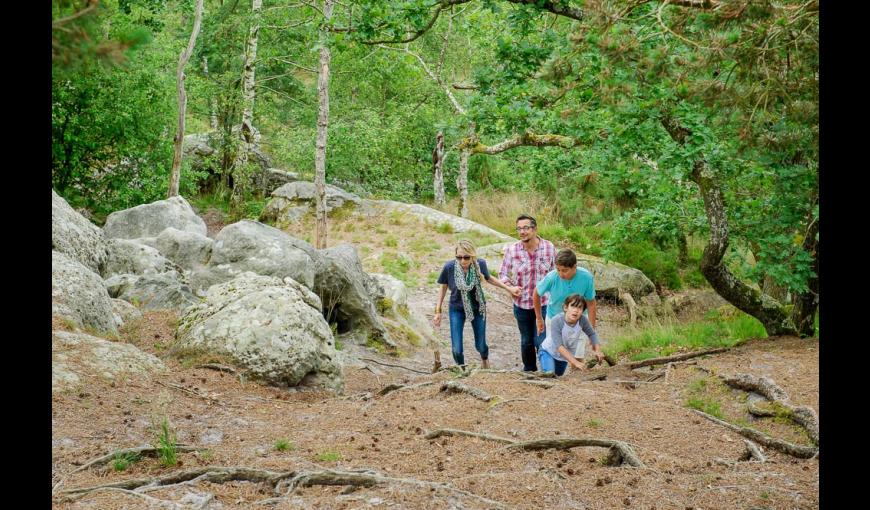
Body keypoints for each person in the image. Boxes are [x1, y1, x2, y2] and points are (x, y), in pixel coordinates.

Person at [434, 239, 520, 369]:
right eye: (459, 257)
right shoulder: (449, 267)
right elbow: (443, 287)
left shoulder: (480, 264)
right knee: (456, 349)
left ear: (472, 256)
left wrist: (509, 288)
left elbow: (489, 278)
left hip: (477, 308)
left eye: (466, 257)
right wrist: (438, 311)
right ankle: (462, 369)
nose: (463, 261)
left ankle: (484, 359)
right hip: (456, 309)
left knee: (480, 345)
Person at [498, 214, 556, 372]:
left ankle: (547, 371)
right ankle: (529, 371)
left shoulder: (549, 248)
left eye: (526, 228)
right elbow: (502, 274)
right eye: (519, 228)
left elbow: (556, 274)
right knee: (526, 341)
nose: (522, 231)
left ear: (535, 229)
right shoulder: (512, 250)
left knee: (542, 340)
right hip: (521, 304)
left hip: (544, 303)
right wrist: (510, 288)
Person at [533, 248, 598, 355]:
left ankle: (575, 370)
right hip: (554, 318)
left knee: (577, 356)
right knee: (554, 352)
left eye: (564, 270)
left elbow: (591, 304)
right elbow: (536, 293)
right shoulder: (552, 277)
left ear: (574, 267)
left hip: (579, 320)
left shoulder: (586, 278)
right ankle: (553, 371)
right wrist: (539, 318)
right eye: (558, 269)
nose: (561, 274)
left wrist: (592, 332)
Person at [538, 294, 603, 375]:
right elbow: (559, 346)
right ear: (565, 307)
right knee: (549, 374)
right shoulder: (557, 320)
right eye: (573, 306)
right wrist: (576, 362)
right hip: (548, 351)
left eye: (580, 307)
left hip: (563, 357)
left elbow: (592, 333)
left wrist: (597, 350)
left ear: (583, 311)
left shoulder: (582, 320)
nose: (576, 310)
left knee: (558, 378)